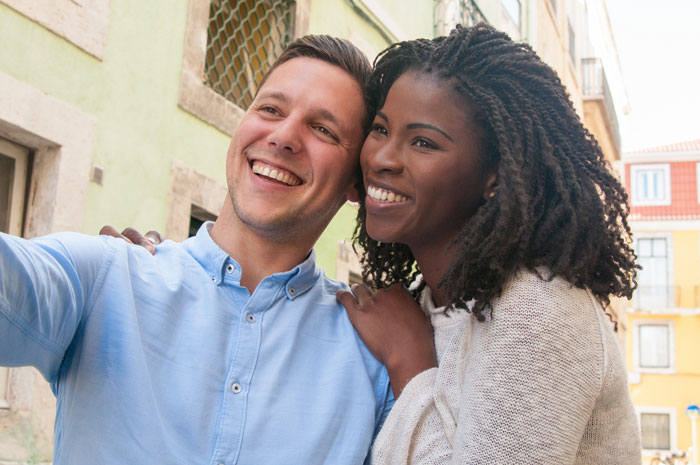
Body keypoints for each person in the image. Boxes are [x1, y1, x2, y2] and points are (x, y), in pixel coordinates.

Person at [0, 35, 393, 465]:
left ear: (357, 182)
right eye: (270, 109)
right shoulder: (106, 278)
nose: (283, 136)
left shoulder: (374, 360)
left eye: (323, 129)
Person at [336, 24, 642, 464]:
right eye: (381, 129)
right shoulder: (431, 301)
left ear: (495, 177)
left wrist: (410, 362)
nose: (381, 158)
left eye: (423, 142)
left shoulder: (539, 308)